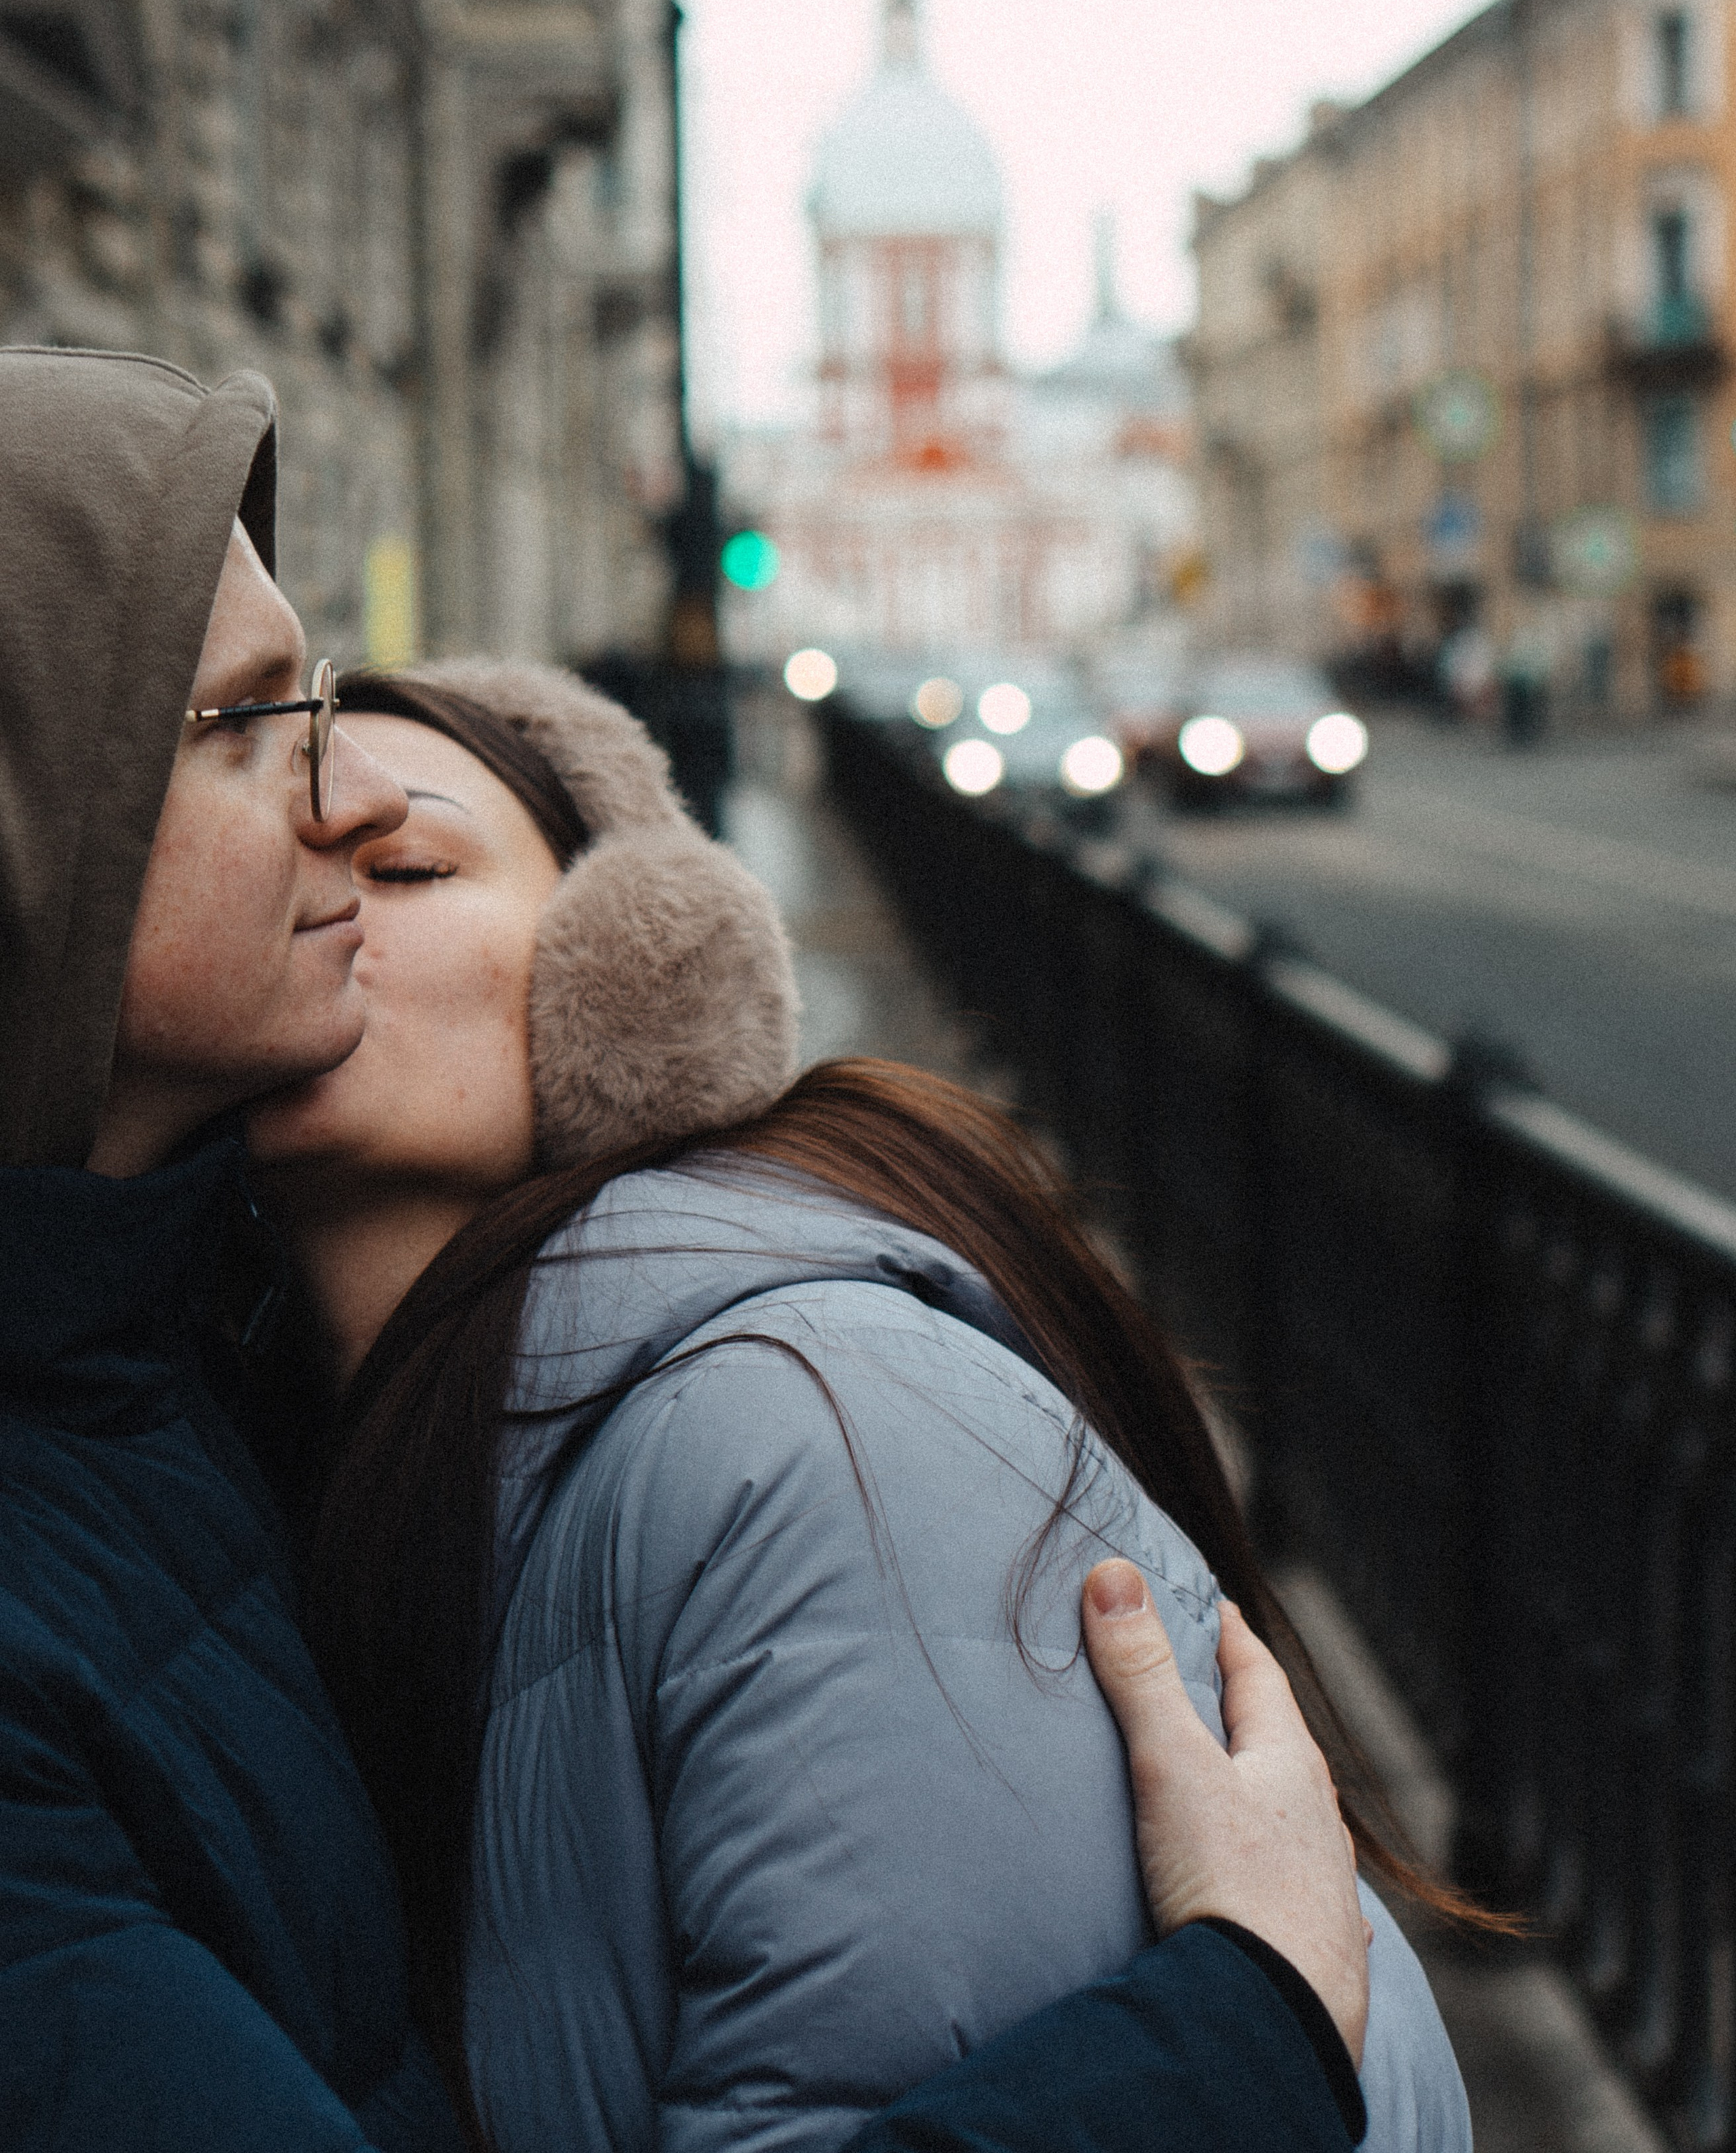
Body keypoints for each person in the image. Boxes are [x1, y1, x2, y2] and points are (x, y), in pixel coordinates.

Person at [0, 345, 1370, 2153]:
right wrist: (1238, 2034)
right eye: (251, 722)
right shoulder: (239, 1395)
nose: (338, 812)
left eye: (419, 863)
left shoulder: (757, 1418)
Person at [250, 660, 1480, 2153]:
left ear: (630, 978)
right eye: (276, 848)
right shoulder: (295, 1458)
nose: (320, 904)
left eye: (406, 864)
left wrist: (1236, 2020)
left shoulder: (813, 1440)